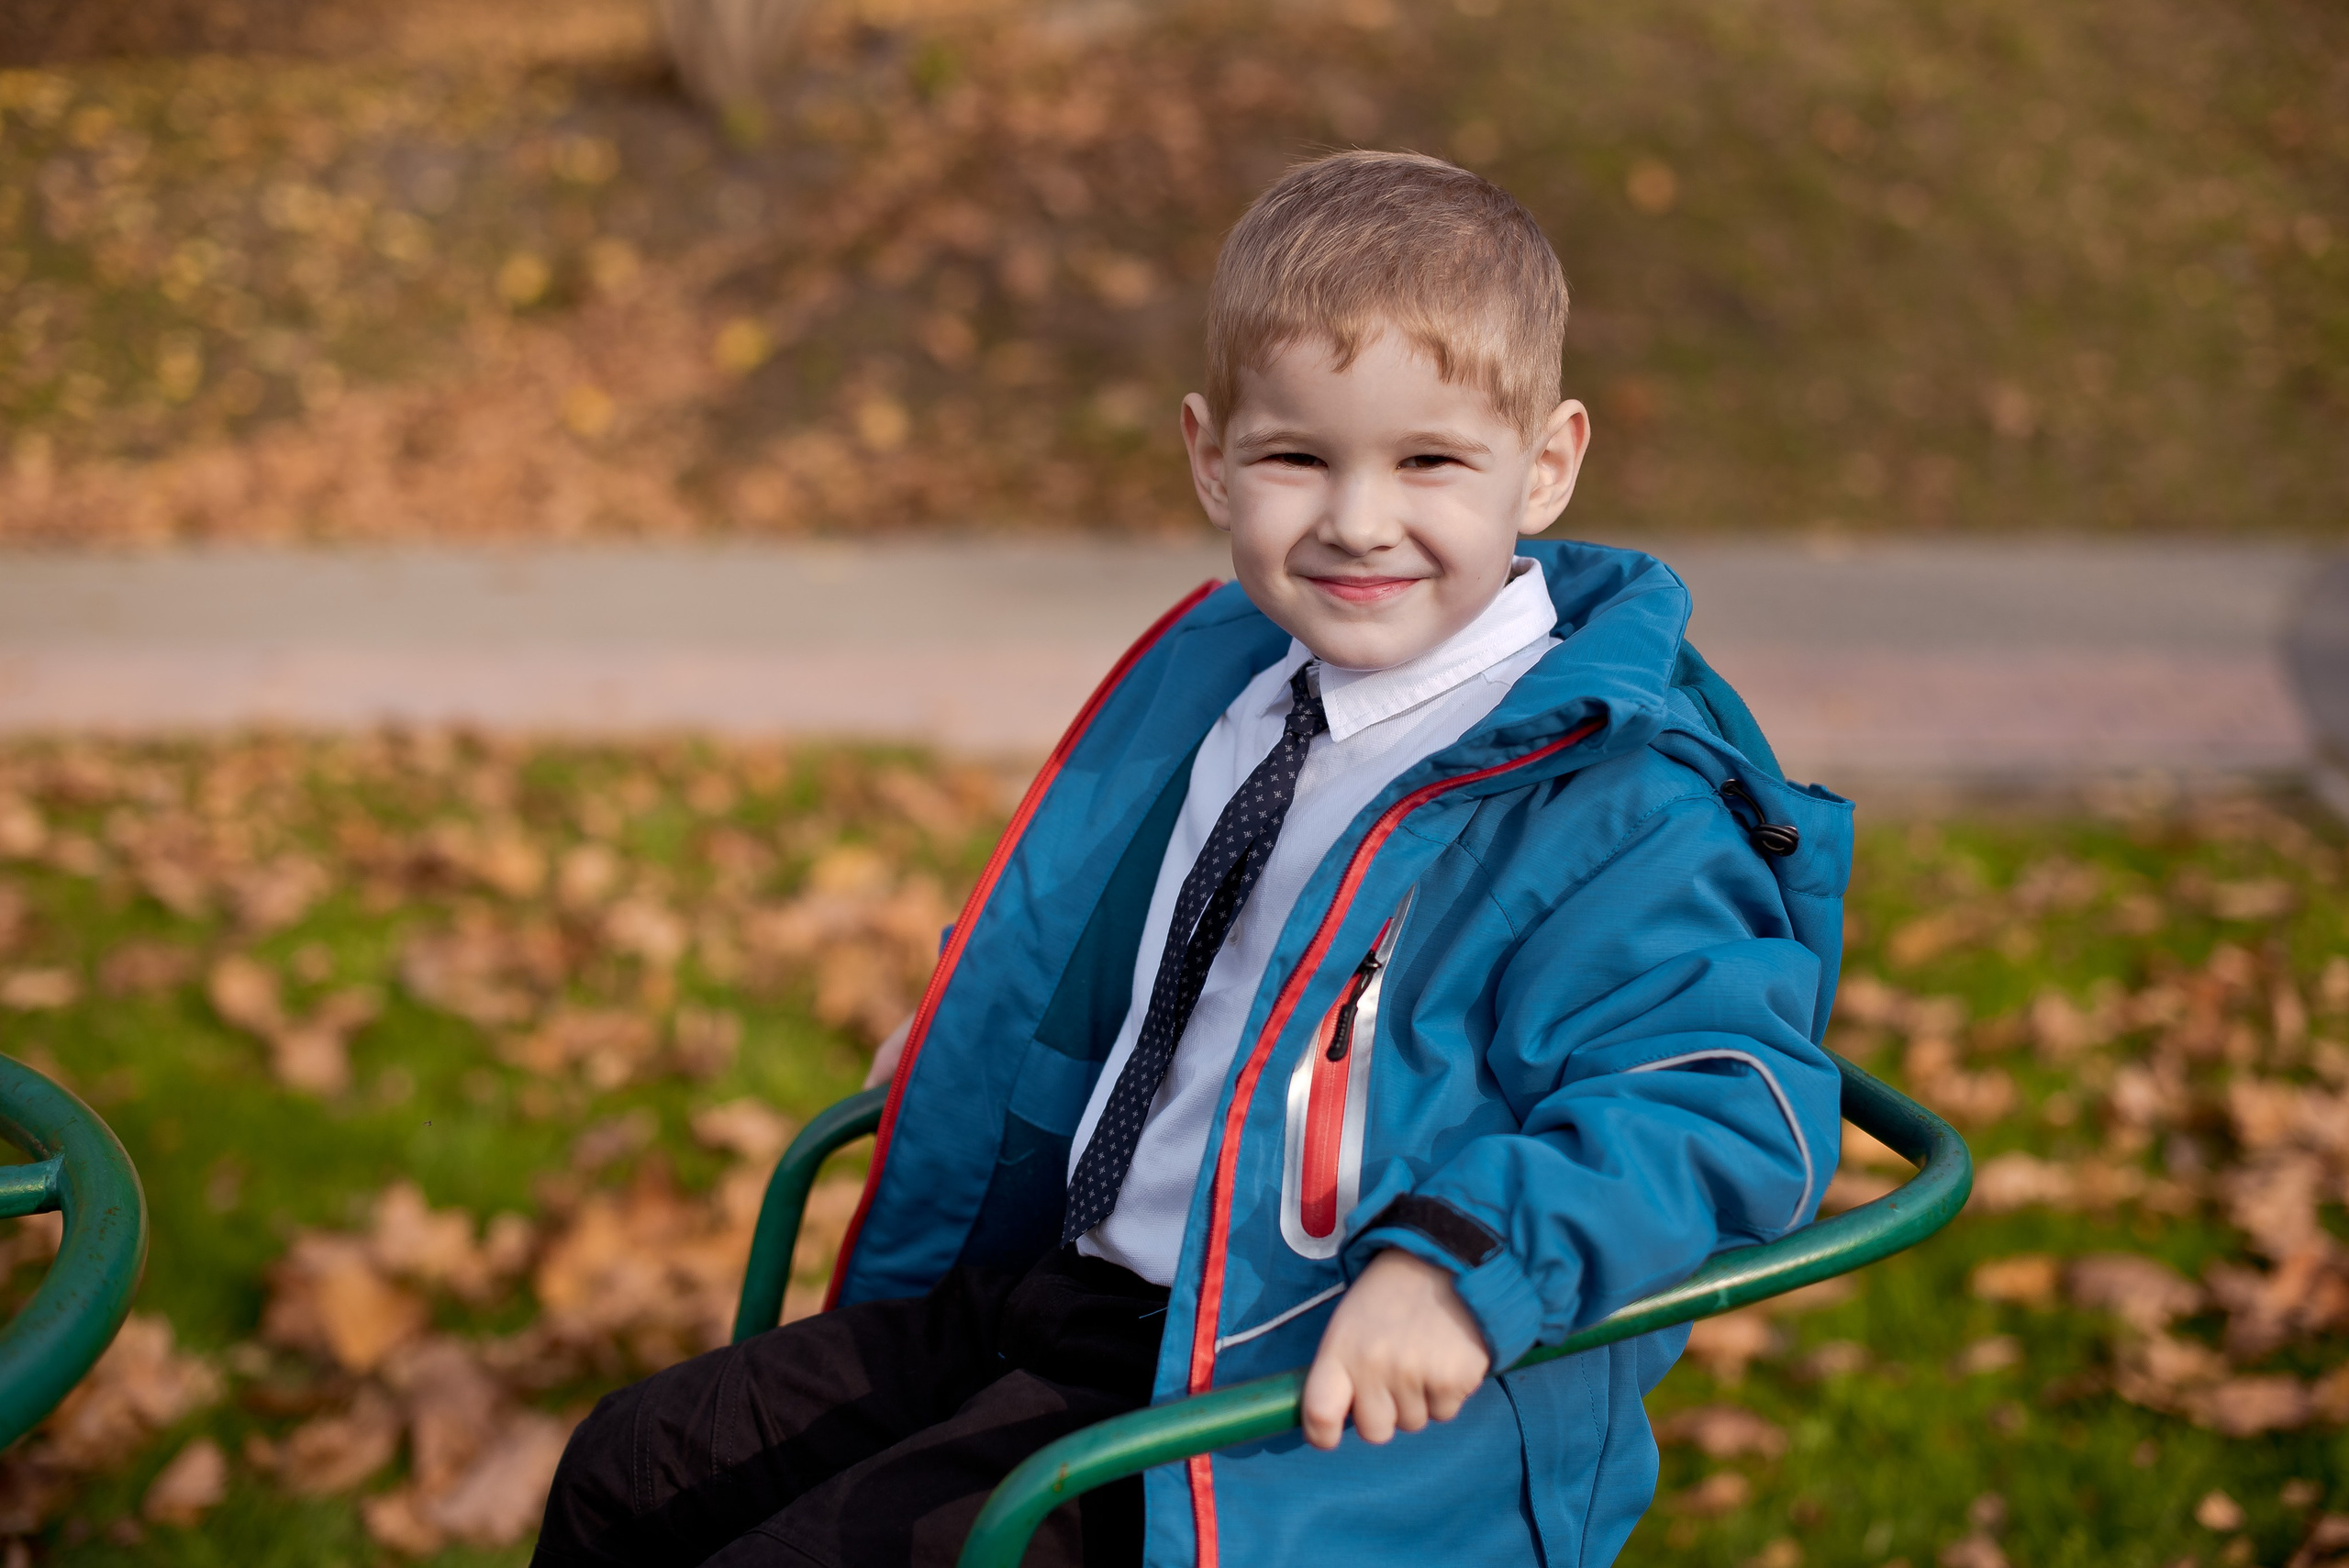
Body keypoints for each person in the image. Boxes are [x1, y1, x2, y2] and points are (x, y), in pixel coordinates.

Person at [533, 150, 1849, 1568]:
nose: (1356, 520)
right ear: (1212, 458)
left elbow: (1727, 1099)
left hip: (1290, 1386)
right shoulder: (1230, 671)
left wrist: (1462, 1266)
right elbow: (1098, 928)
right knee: (633, 1468)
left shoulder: (1614, 794)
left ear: (1547, 462)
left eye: (1430, 461)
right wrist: (964, 1029)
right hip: (1092, 1288)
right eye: (1299, 457)